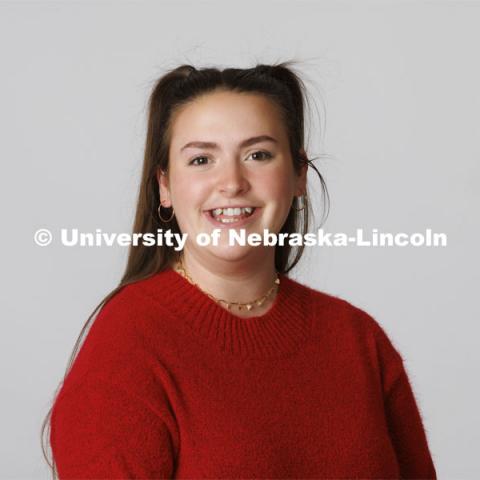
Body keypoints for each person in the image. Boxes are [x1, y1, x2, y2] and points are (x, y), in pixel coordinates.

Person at [42, 63, 437, 479]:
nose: (231, 182)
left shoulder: (358, 339)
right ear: (164, 185)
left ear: (299, 175)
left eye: (258, 155)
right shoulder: (128, 345)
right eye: (201, 159)